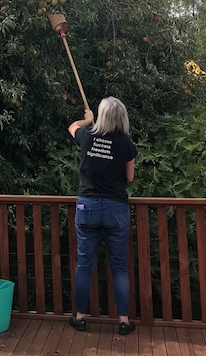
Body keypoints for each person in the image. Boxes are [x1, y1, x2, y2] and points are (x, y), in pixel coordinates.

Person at [67, 97, 137, 335]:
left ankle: (80, 317)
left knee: (85, 264)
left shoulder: (88, 136)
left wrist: (86, 120)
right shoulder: (126, 144)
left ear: (102, 115)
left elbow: (72, 127)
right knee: (118, 267)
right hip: (116, 208)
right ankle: (124, 321)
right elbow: (129, 178)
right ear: (122, 117)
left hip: (87, 207)